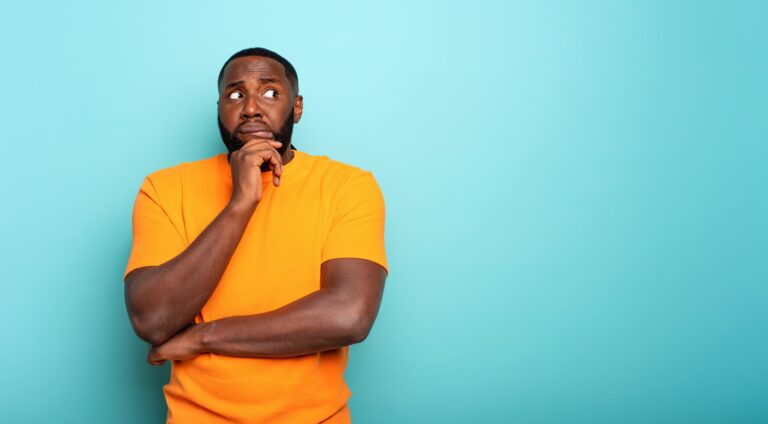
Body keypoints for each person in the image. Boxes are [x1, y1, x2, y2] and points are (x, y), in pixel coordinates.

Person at [123, 47, 388, 423]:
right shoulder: (165, 188)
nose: (250, 108)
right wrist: (241, 203)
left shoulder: (348, 186)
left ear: (296, 108)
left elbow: (349, 315)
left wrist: (203, 336)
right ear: (219, 108)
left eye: (269, 92)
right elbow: (152, 320)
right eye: (235, 95)